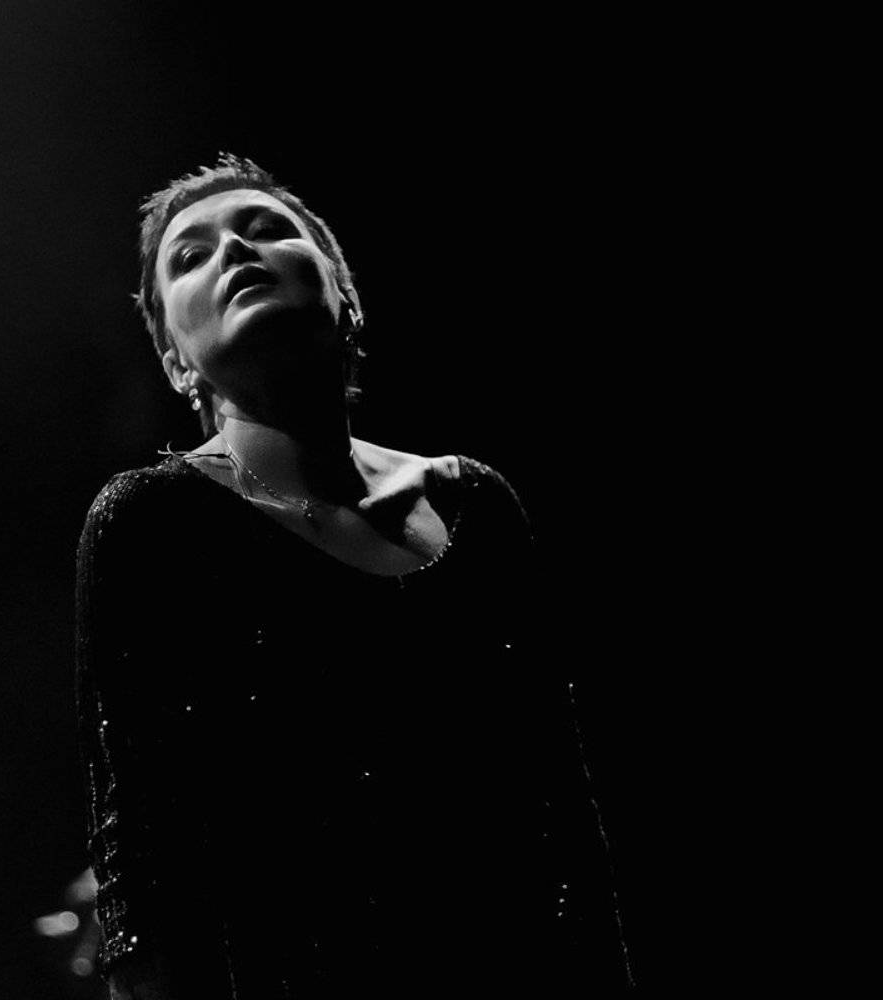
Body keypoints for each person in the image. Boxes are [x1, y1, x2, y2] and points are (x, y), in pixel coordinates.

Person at [75, 154, 631, 998]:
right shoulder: (151, 523)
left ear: (346, 297)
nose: (235, 251)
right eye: (191, 256)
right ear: (175, 360)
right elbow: (143, 873)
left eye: (266, 229)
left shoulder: (475, 507)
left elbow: (565, 819)